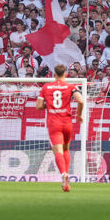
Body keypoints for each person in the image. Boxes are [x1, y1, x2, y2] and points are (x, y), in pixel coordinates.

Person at [35, 64, 86, 192]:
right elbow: (81, 101)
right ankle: (67, 177)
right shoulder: (71, 86)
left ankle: (63, 173)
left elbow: (39, 106)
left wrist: (50, 105)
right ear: (65, 74)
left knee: (57, 150)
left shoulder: (46, 87)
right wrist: (79, 116)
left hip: (54, 123)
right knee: (66, 149)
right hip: (67, 122)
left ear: (54, 75)